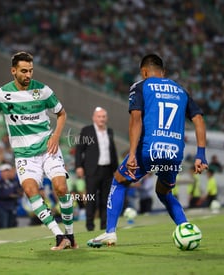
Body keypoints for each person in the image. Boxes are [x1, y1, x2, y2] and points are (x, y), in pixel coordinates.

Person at [87, 54, 208, 247]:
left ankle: (110, 232)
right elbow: (199, 119)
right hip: (174, 152)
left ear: (144, 72)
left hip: (149, 149)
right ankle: (185, 227)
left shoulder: (141, 87)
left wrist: (133, 154)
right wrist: (200, 154)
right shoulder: (180, 90)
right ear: (164, 72)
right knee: (164, 192)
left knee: (119, 181)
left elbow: (136, 119)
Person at [0, 51, 77, 250]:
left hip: (48, 148)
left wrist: (55, 136)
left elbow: (61, 114)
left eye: (31, 71)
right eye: (24, 71)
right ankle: (59, 236)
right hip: (24, 155)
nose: (28, 75)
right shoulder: (2, 95)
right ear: (13, 71)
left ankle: (71, 235)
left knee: (61, 188)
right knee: (30, 191)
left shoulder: (43, 91)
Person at [75, 107, 119, 231]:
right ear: (94, 118)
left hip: (108, 171)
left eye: (103, 117)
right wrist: (79, 166)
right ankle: (90, 226)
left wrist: (116, 169)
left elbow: (113, 150)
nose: (101, 119)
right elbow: (79, 150)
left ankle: (104, 226)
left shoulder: (109, 131)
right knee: (91, 199)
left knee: (106, 200)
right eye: (99, 117)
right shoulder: (87, 131)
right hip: (92, 170)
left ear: (107, 118)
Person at [0, 163, 22, 228]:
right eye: (4, 171)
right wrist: (10, 195)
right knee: (3, 225)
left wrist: (17, 194)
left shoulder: (14, 181)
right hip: (2, 206)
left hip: (12, 205)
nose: (6, 173)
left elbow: (19, 191)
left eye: (7, 171)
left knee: (12, 224)